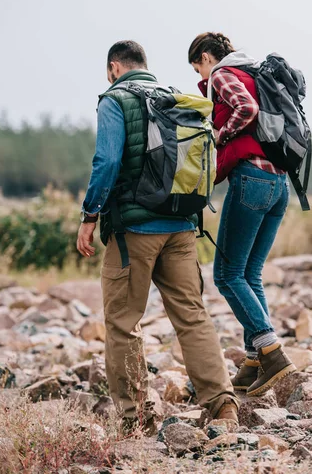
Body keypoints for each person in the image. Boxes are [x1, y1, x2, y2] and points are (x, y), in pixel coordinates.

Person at [77, 40, 238, 433]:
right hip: (182, 226)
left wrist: (89, 215)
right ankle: (222, 406)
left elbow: (108, 160)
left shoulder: (114, 99)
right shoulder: (171, 97)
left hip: (134, 232)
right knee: (192, 317)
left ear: (115, 67)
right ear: (143, 65)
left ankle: (134, 420)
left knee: (122, 322)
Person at [188, 32, 296, 397]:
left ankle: (272, 352)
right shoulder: (255, 71)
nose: (200, 76)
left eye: (197, 66)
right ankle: (254, 361)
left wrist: (220, 136)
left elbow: (245, 108)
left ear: (206, 56)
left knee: (226, 274)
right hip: (279, 184)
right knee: (250, 273)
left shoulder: (221, 74)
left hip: (251, 178)